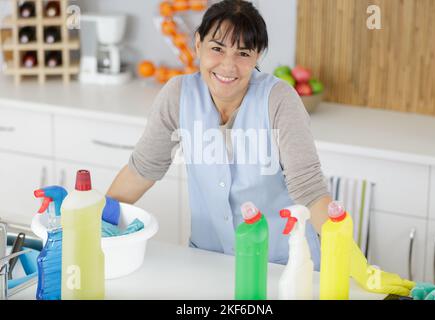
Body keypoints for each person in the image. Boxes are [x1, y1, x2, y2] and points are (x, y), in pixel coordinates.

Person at [107, 0, 414, 296]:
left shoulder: (279, 100)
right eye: (217, 48)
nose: (228, 65)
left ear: (258, 56)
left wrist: (357, 266)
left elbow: (309, 191)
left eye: (243, 53)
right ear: (197, 44)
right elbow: (142, 170)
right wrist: (97, 223)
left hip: (281, 269)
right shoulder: (178, 95)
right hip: (209, 262)